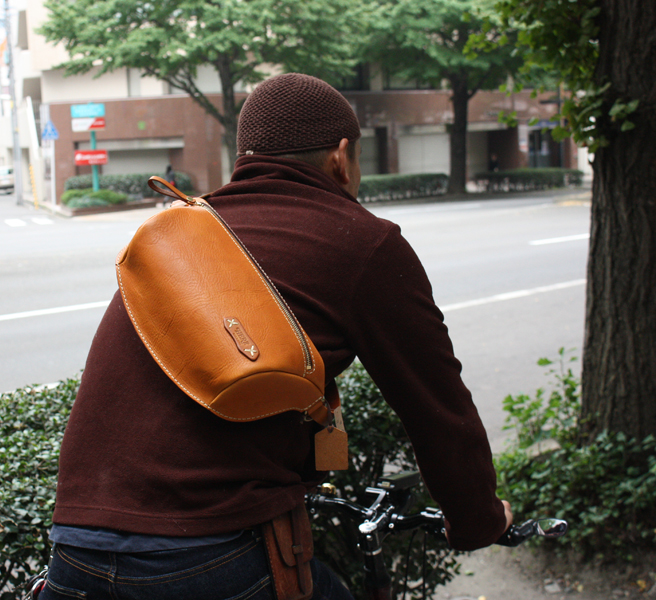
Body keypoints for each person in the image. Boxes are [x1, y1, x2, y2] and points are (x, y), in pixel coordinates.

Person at [40, 73, 512, 600]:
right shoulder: (361, 241)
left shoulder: (188, 231)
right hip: (201, 554)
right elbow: (438, 409)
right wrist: (478, 520)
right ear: (342, 157)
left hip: (74, 550)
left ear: (245, 157)